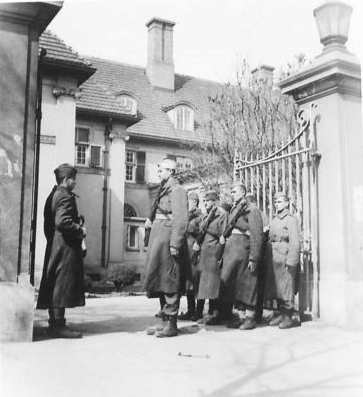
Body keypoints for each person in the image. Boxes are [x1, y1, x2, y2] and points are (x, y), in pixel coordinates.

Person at [36, 163, 86, 338]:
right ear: (65, 180)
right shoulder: (64, 196)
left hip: (55, 244)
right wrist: (79, 229)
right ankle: (59, 326)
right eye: (73, 179)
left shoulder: (53, 194)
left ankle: (54, 324)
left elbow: (50, 222)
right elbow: (62, 222)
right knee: (61, 285)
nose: (75, 182)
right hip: (65, 247)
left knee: (55, 283)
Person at [143, 158, 188, 337]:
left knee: (170, 279)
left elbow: (181, 219)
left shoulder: (177, 190)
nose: (159, 173)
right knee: (161, 278)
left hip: (169, 239)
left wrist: (176, 243)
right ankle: (165, 320)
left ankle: (172, 323)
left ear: (171, 171)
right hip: (159, 238)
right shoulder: (164, 189)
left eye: (161, 170)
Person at [219, 183, 263, 330]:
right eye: (231, 191)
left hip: (245, 252)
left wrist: (254, 257)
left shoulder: (252, 209)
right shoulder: (234, 209)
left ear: (243, 192)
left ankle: (250, 318)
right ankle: (240, 316)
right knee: (236, 286)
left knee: (248, 284)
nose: (232, 193)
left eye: (235, 191)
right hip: (233, 253)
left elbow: (256, 235)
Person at [265, 192, 301, 329]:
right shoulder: (274, 219)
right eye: (275, 202)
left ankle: (288, 317)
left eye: (280, 202)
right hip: (274, 258)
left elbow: (295, 242)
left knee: (287, 287)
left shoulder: (291, 220)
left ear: (286, 203)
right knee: (277, 288)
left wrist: (292, 261)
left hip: (285, 257)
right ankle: (280, 313)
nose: (277, 204)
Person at [193, 191, 228, 325]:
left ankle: (214, 313)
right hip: (203, 251)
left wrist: (221, 255)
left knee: (213, 283)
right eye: (205, 200)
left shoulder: (222, 214)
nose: (205, 203)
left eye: (207, 200)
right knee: (201, 282)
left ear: (214, 201)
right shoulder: (205, 216)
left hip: (214, 251)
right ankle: (201, 312)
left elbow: (223, 236)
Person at [178, 192, 203, 321]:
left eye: (189, 201)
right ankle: (190, 310)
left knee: (195, 282)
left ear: (195, 202)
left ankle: (198, 312)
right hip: (185, 252)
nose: (187, 204)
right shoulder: (186, 216)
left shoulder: (200, 217)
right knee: (188, 282)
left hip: (194, 252)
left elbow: (202, 234)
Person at [245, 193, 269, 323]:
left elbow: (262, 234)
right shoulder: (261, 213)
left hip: (259, 253)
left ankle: (257, 314)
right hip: (259, 252)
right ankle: (257, 313)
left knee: (257, 285)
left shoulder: (257, 213)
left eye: (250, 201)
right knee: (257, 285)